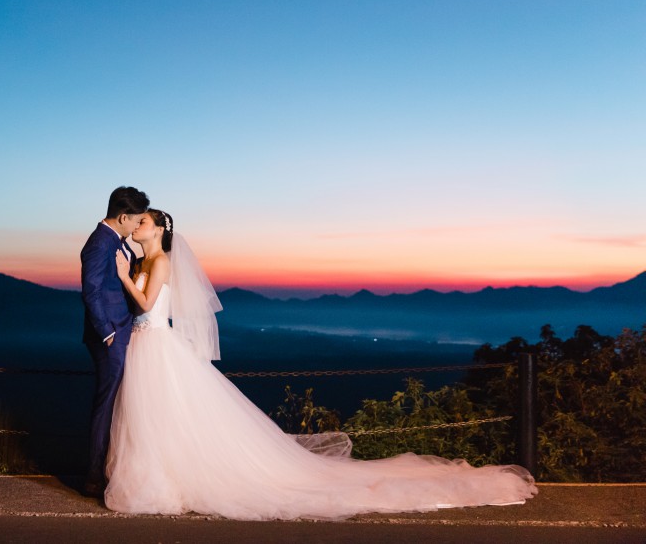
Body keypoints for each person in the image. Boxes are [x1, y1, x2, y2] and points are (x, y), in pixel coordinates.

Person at [104, 210, 537, 520]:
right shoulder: (145, 260)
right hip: (149, 346)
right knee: (159, 420)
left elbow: (144, 303)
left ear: (160, 229)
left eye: (143, 221)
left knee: (161, 415)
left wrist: (124, 277)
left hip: (156, 343)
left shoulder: (158, 262)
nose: (136, 224)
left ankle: (166, 483)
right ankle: (161, 480)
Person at [80, 186, 150, 497]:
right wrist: (107, 333)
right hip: (110, 337)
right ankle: (94, 476)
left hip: (125, 330)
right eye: (136, 220)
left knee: (121, 404)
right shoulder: (98, 244)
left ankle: (115, 469)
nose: (138, 226)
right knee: (106, 405)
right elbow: (92, 292)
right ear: (123, 217)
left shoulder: (119, 242)